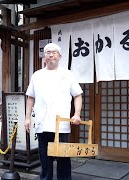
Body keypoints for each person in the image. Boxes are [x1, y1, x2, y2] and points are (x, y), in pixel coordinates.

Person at [25, 42, 83, 180]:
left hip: (61, 125)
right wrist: (27, 118)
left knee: (63, 160)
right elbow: (30, 97)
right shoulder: (37, 75)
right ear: (44, 56)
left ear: (60, 56)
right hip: (42, 123)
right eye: (48, 52)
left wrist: (77, 114)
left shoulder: (67, 74)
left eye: (54, 52)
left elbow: (77, 95)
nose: (51, 55)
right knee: (45, 160)